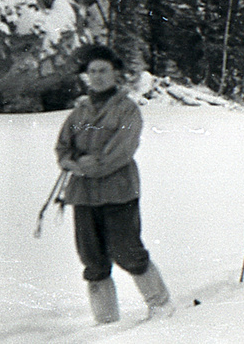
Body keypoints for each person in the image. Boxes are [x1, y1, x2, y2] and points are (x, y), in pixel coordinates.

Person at [54, 45, 173, 324]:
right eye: (92, 71)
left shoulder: (126, 108)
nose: (97, 76)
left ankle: (160, 303)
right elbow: (63, 147)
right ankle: (106, 319)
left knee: (126, 249)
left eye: (103, 70)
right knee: (91, 257)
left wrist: (87, 165)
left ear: (115, 73)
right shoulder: (79, 111)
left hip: (118, 190)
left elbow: (123, 149)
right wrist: (70, 163)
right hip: (83, 194)